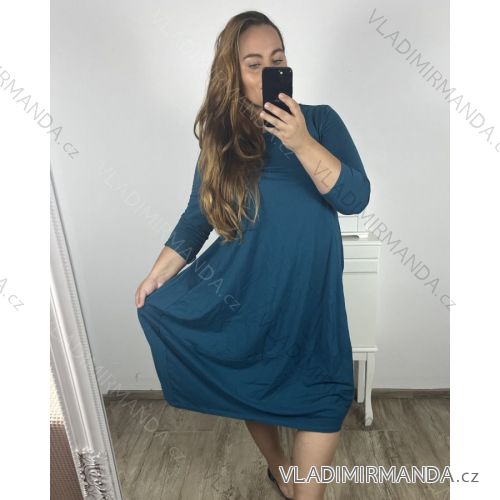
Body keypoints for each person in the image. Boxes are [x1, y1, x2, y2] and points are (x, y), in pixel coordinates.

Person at [135, 10, 370, 500]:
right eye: (254, 63)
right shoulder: (221, 140)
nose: (269, 72)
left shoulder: (321, 121)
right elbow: (197, 217)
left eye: (277, 60)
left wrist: (300, 142)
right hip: (246, 293)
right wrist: (158, 273)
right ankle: (279, 466)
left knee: (326, 397)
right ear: (234, 72)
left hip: (312, 296)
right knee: (253, 383)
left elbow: (354, 198)